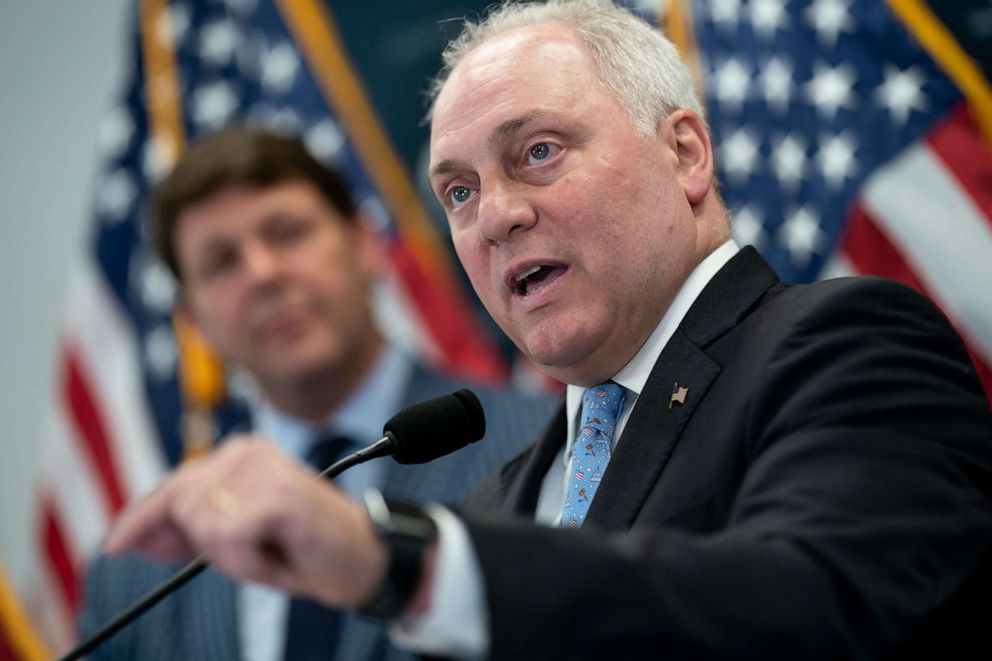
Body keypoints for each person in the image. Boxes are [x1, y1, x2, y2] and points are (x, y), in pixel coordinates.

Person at [100, 1, 992, 659]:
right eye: (457, 191)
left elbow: (806, 610)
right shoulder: (504, 495)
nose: (493, 218)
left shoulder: (845, 344)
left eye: (537, 152)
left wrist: (398, 558)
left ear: (685, 152)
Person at [78, 126, 556, 661]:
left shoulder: (546, 449)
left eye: (286, 233)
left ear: (364, 245)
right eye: (221, 262)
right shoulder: (137, 572)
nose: (263, 274)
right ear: (193, 323)